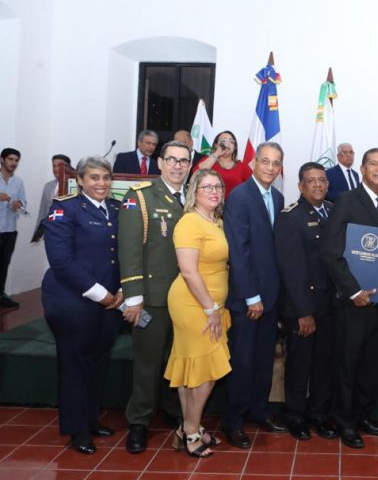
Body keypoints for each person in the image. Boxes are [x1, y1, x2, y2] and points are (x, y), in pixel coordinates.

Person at [42, 156, 123, 454]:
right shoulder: (64, 208)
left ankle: (90, 419)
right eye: (94, 178)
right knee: (75, 366)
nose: (101, 183)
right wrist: (99, 293)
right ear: (80, 181)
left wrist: (124, 288)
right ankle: (77, 430)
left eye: (105, 178)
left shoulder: (116, 209)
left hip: (111, 302)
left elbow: (125, 251)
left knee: (98, 363)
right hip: (72, 301)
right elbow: (61, 261)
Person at [118, 140, 192, 453]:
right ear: (159, 163)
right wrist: (133, 297)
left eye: (184, 161)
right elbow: (130, 250)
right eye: (172, 160)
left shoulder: (197, 196)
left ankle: (176, 412)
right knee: (148, 363)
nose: (178, 166)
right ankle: (139, 421)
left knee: (180, 361)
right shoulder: (141, 197)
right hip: (155, 297)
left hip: (188, 299)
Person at [322, 148, 378, 449]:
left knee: (370, 363)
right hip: (354, 301)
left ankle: (364, 414)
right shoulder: (346, 202)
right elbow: (330, 251)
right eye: (374, 164)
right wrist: (354, 291)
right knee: (348, 363)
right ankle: (344, 421)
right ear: (363, 169)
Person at [221, 142, 286, 448]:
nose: (270, 168)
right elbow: (239, 251)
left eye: (276, 163)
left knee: (263, 362)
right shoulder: (240, 196)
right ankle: (233, 422)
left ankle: (258, 411)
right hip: (248, 299)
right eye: (265, 162)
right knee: (243, 362)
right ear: (254, 163)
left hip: (271, 298)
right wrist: (251, 296)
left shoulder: (278, 196)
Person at [164, 168, 231, 458]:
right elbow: (189, 272)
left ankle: (188, 428)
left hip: (212, 305)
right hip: (195, 304)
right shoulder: (189, 222)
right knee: (206, 371)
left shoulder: (215, 220)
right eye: (206, 187)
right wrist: (210, 308)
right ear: (195, 191)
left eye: (217, 186)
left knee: (192, 367)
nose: (213, 191)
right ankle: (191, 429)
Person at [275, 162, 336, 441]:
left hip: (330, 305)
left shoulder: (334, 212)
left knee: (324, 364)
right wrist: (303, 312)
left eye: (322, 180)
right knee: (300, 365)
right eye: (311, 181)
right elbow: (291, 268)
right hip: (303, 307)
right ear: (300, 186)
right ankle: (295, 415)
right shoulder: (291, 216)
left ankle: (318, 414)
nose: (318, 185)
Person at [0, 148, 26, 308]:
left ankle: (1, 295)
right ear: (2, 160)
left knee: (4, 264)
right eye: (10, 159)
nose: (14, 163)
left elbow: (23, 201)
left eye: (16, 160)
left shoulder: (19, 182)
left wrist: (18, 204)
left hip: (10, 230)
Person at [192, 130, 252, 199]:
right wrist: (217, 153)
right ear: (216, 145)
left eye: (231, 142)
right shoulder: (208, 160)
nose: (227, 144)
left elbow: (253, 187)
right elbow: (196, 174)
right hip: (210, 203)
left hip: (235, 205)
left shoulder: (242, 166)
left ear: (235, 147)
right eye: (224, 141)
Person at [32, 154, 72, 243]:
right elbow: (42, 210)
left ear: (68, 168)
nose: (56, 169)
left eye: (60, 165)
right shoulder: (48, 186)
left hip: (69, 236)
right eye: (54, 166)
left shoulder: (75, 186)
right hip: (50, 234)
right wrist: (37, 232)